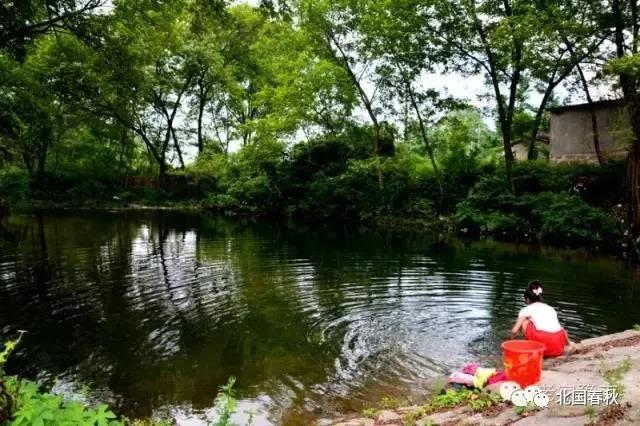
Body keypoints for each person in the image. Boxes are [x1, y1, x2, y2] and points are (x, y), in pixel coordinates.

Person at [511, 280, 568, 357]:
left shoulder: (526, 310)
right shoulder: (550, 308)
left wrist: (510, 342)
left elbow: (514, 331)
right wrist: (568, 344)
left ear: (527, 299)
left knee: (525, 321)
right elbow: (562, 329)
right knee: (558, 326)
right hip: (558, 348)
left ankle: (530, 347)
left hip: (542, 348)